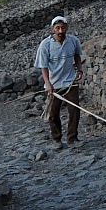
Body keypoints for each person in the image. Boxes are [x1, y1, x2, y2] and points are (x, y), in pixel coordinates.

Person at [34, 15, 84, 148]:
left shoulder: (73, 40)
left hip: (70, 80)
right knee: (53, 112)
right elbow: (43, 66)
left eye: (63, 27)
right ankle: (57, 138)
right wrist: (48, 84)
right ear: (53, 29)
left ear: (66, 27)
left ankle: (72, 137)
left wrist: (79, 70)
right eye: (57, 28)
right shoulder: (45, 45)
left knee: (75, 109)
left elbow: (77, 56)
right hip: (54, 84)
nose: (60, 31)